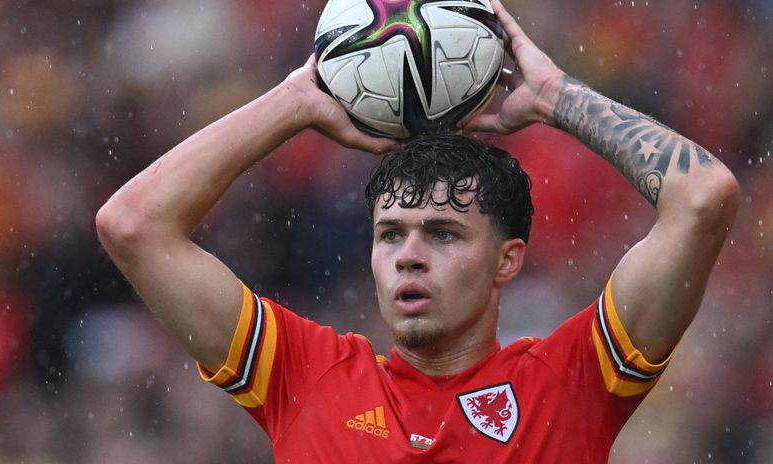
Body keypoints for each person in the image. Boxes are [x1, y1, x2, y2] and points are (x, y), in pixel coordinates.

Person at [95, 0, 738, 461]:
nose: (408, 256)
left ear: (507, 260)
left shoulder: (573, 383)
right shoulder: (303, 377)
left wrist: (554, 95)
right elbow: (132, 225)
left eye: (444, 234)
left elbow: (703, 197)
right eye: (389, 234)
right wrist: (293, 101)